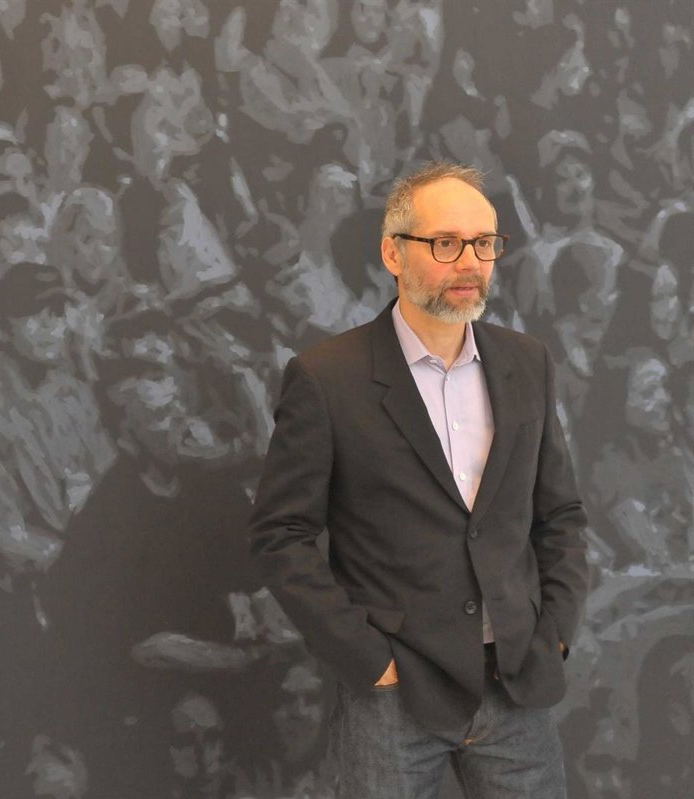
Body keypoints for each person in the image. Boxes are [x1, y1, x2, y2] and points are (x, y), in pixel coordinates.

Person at [248, 161, 589, 797]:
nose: (471, 263)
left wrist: (556, 634)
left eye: (484, 244)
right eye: (446, 243)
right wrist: (366, 659)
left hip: (517, 682)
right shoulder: (326, 378)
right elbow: (281, 535)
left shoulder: (527, 362)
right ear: (392, 253)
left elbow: (560, 517)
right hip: (395, 693)